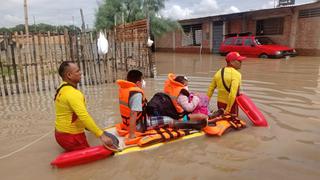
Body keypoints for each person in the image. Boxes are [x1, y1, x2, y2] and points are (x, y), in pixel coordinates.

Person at [54, 61, 114, 152]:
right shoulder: (73, 93)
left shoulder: (61, 88)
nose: (80, 73)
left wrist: (91, 128)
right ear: (69, 75)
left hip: (59, 135)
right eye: (77, 71)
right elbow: (84, 116)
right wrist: (102, 136)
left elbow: (71, 113)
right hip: (71, 137)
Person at [207, 52, 246, 117]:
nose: (241, 62)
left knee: (221, 120)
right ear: (231, 62)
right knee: (233, 122)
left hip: (220, 103)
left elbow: (211, 89)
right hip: (231, 104)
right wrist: (228, 109)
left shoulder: (218, 72)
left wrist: (205, 103)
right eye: (239, 60)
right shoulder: (237, 74)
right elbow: (233, 94)